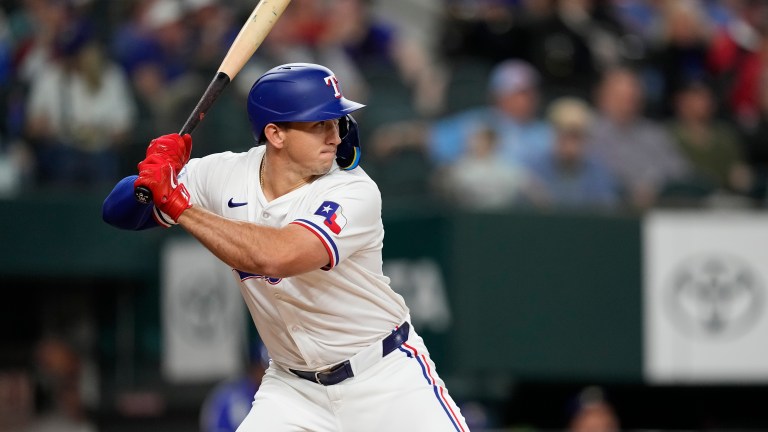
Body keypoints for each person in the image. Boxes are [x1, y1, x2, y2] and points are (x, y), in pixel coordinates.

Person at [102, 63, 469, 431]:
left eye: (336, 122)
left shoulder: (353, 189)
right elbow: (118, 213)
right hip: (294, 391)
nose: (335, 136)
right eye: (318, 124)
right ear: (275, 134)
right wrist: (149, 178)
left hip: (384, 380)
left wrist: (179, 205)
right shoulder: (224, 174)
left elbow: (278, 256)